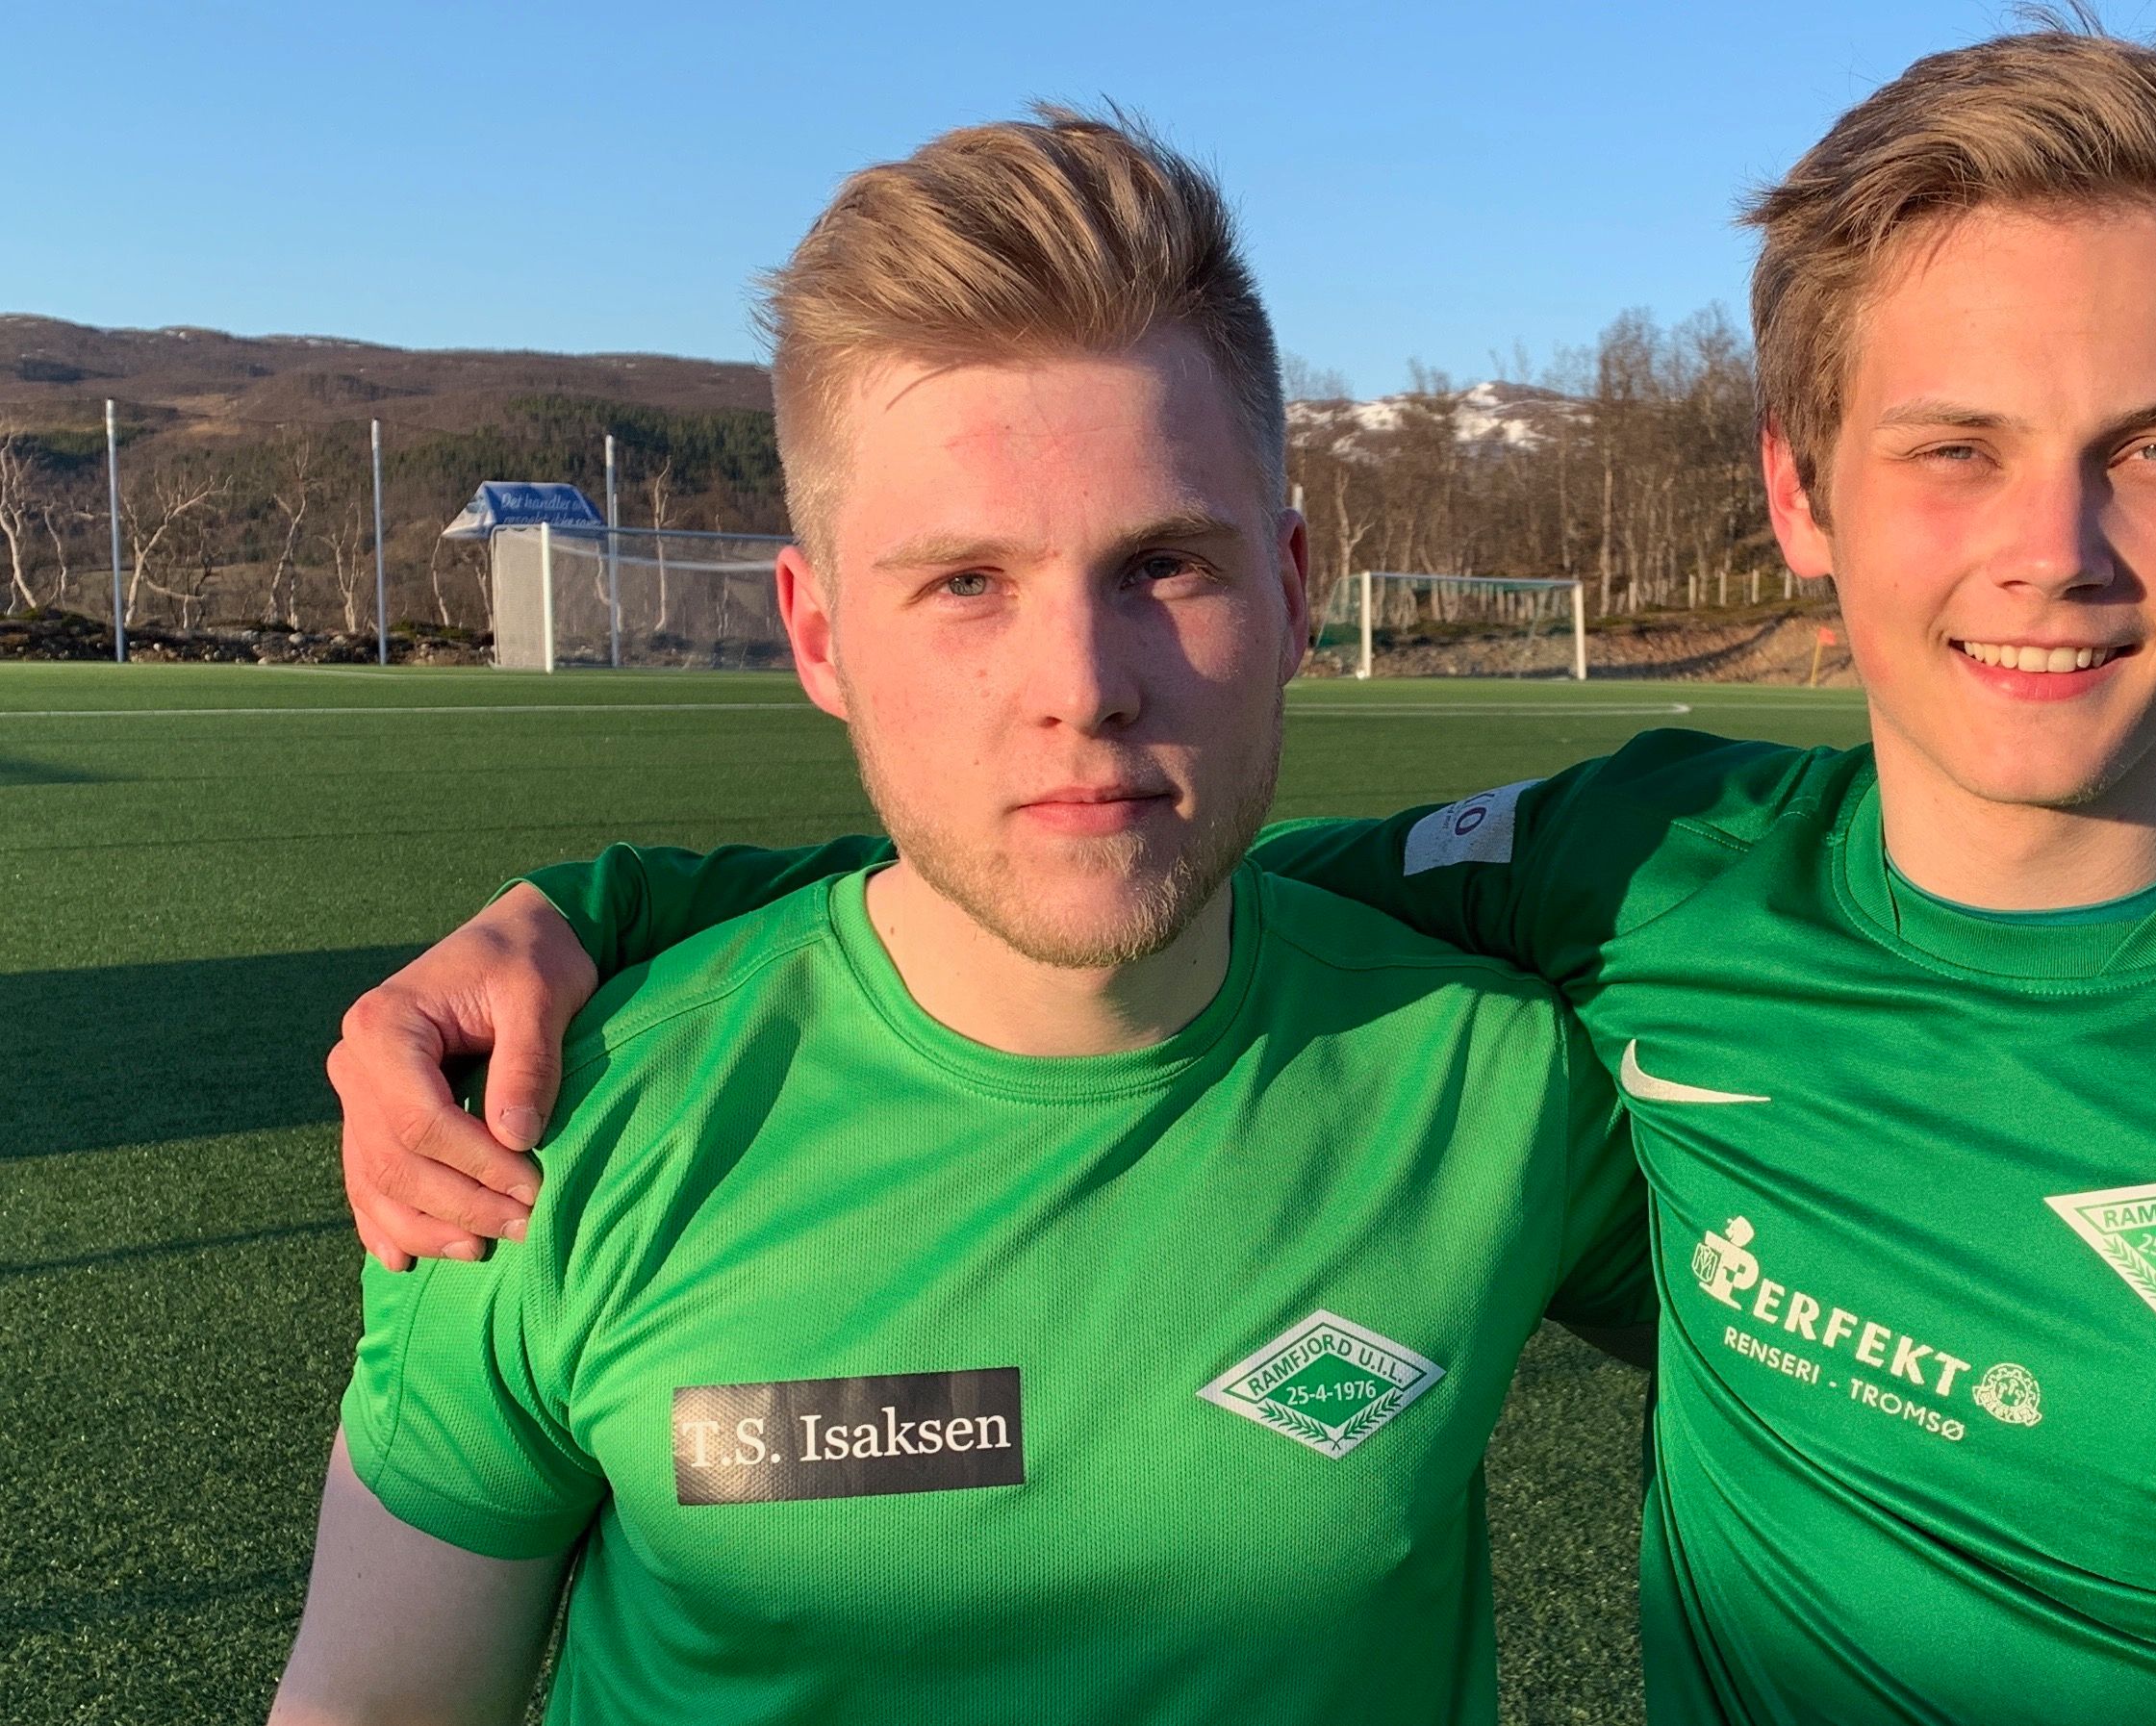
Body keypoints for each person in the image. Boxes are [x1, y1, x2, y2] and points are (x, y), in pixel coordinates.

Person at [331, 29, 2156, 1726]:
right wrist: (598, 906)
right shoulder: (550, 1134)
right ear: (1796, 491)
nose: (2057, 550)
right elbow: (1076, 875)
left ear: (1288, 585)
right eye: (1953, 447)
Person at [272, 113, 1660, 1725]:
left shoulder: (1500, 1078)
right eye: (965, 583)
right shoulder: (550, 1124)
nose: (1081, 685)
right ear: (818, 633)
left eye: (1163, 564)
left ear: (1291, 593)